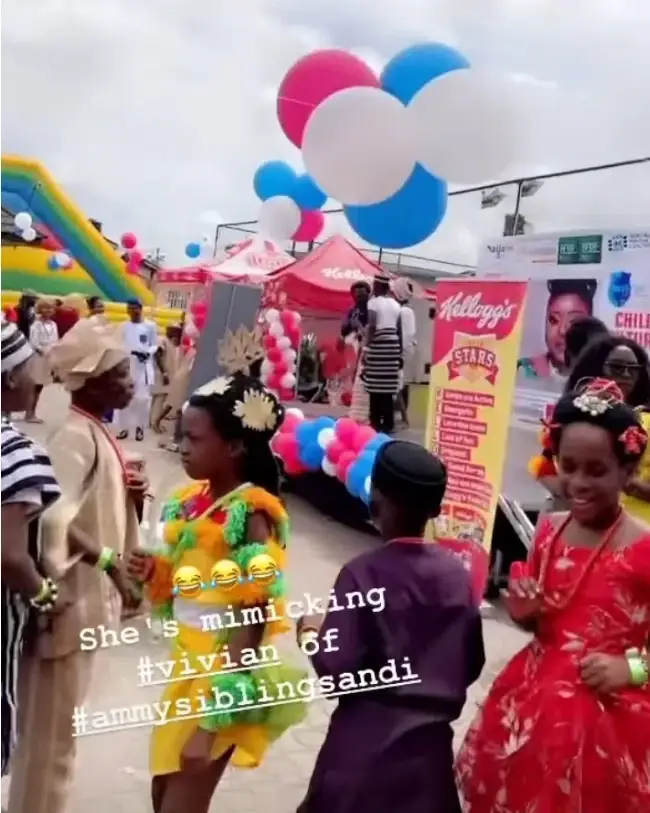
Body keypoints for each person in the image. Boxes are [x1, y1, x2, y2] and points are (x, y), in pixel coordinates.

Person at [457, 379, 650, 813]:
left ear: (628, 471)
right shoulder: (549, 530)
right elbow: (546, 617)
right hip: (533, 712)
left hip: (610, 728)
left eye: (596, 471)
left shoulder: (644, 549)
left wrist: (631, 669)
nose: (578, 482)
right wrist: (526, 614)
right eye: (568, 465)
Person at [127, 373, 307, 813]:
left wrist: (212, 722)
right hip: (186, 667)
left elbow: (253, 616)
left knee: (181, 803)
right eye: (180, 436)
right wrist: (155, 571)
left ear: (234, 446)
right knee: (162, 792)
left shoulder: (250, 516)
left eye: (194, 438)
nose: (183, 447)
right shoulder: (197, 500)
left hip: (220, 678)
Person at [296, 440, 485, 813]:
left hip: (362, 760)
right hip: (428, 764)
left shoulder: (361, 574)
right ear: (435, 509)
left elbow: (336, 673)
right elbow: (471, 662)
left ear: (374, 499)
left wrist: (310, 633)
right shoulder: (457, 577)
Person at [7, 319, 144, 813]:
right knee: (49, 747)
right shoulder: (72, 437)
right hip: (66, 609)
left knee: (59, 740)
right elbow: (52, 518)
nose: (132, 382)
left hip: (83, 609)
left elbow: (89, 508)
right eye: (123, 372)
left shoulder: (94, 431)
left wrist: (131, 499)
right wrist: (110, 563)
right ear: (94, 380)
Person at [1, 321, 61, 778]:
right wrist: (45, 596)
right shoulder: (17, 451)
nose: (36, 376)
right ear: (7, 380)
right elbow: (10, 557)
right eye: (28, 367)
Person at [530, 335, 650, 521]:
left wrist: (628, 484)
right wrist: (581, 501)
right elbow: (545, 472)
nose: (626, 375)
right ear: (597, 368)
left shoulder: (646, 420)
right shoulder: (573, 416)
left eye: (633, 370)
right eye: (617, 367)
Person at [518, 278, 596, 379]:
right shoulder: (524, 370)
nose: (562, 330)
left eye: (575, 322)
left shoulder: (603, 377)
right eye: (554, 320)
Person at [362, 274, 402, 433]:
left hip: (379, 343)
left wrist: (366, 348)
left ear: (378, 286)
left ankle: (375, 422)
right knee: (387, 387)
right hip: (393, 344)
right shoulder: (395, 304)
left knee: (374, 385)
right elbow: (399, 328)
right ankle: (388, 423)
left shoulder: (373, 302)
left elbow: (371, 326)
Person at [114, 298, 158, 441]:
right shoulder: (123, 326)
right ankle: (124, 428)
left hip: (143, 366)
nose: (132, 311)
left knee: (142, 399)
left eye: (135, 308)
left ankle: (140, 428)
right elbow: (119, 345)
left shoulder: (150, 326)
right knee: (123, 396)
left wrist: (147, 353)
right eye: (130, 308)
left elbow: (154, 345)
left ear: (140, 309)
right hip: (127, 365)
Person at [340, 281, 371, 423]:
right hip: (354, 347)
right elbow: (343, 329)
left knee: (364, 378)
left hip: (368, 348)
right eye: (356, 293)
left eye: (362, 293)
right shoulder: (352, 311)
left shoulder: (371, 309)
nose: (358, 296)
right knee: (355, 377)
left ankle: (366, 412)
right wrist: (351, 325)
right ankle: (356, 410)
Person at [26, 297, 59, 423]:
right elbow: (33, 342)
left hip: (48, 358)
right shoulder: (36, 324)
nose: (48, 310)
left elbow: (55, 340)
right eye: (45, 307)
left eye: (50, 307)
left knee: (40, 388)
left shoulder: (53, 325)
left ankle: (32, 412)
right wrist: (43, 350)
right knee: (34, 387)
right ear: (40, 309)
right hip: (38, 357)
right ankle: (29, 413)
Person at [392, 278, 418, 426]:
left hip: (402, 352)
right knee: (398, 385)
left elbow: (406, 336)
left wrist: (399, 354)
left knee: (398, 384)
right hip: (403, 351)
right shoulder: (405, 310)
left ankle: (402, 416)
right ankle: (402, 416)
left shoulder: (405, 311)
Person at [151, 325, 182, 429]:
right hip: (162, 374)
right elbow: (156, 354)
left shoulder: (171, 344)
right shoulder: (163, 341)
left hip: (164, 374)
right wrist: (164, 373)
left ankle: (152, 421)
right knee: (160, 397)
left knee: (158, 398)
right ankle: (154, 423)